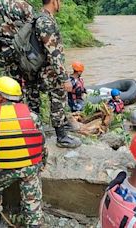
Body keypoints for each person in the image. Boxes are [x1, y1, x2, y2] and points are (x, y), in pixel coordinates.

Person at [0, 76, 47, 227]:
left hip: (3, 168)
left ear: (1, 96)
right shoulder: (32, 116)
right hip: (28, 167)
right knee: (33, 196)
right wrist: (41, 164)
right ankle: (34, 223)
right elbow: (41, 144)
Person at [31, 0, 81, 148]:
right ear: (54, 1)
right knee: (58, 98)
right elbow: (54, 53)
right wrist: (64, 78)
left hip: (41, 68)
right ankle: (61, 137)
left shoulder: (39, 17)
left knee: (37, 100)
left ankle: (41, 131)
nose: (62, 4)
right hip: (49, 70)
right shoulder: (45, 22)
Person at [0, 0, 34, 82]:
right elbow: (33, 29)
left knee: (2, 81)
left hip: (3, 50)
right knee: (19, 82)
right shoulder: (26, 6)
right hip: (21, 51)